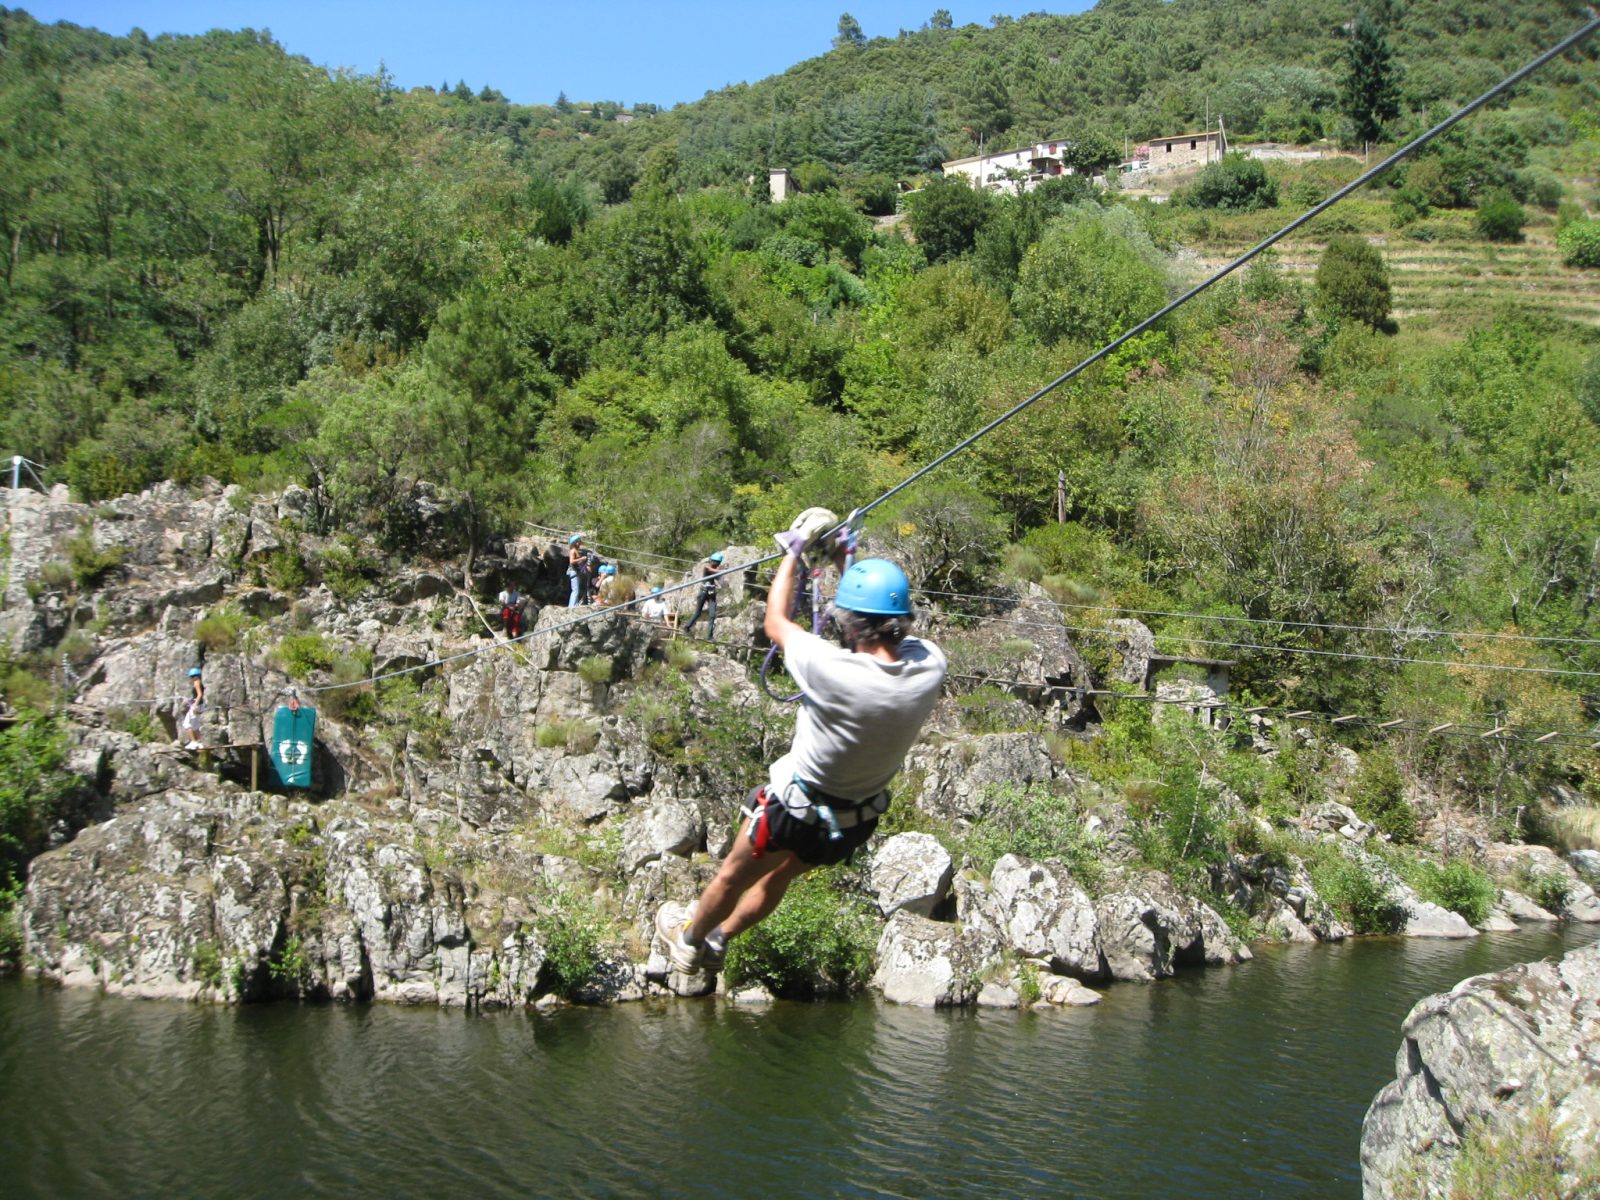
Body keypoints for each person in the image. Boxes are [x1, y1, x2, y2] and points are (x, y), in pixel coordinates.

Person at [655, 518, 946, 977]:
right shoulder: (930, 665)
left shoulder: (832, 670)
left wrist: (793, 552)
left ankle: (689, 941)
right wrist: (844, 559)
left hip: (793, 810)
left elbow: (775, 623)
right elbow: (874, 625)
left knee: (732, 876)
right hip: (853, 820)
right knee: (781, 875)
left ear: (849, 623)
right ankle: (722, 937)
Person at [681, 551, 725, 641]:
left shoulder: (716, 570)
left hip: (711, 594)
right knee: (698, 613)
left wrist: (722, 578)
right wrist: (722, 571)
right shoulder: (707, 567)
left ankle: (709, 636)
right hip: (703, 593)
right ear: (712, 561)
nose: (717, 564)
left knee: (712, 615)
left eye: (718, 563)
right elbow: (713, 570)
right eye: (716, 562)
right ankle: (686, 627)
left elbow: (720, 580)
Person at [181, 667, 206, 750]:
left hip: (197, 706)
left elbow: (199, 695)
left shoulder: (196, 682)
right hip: (201, 705)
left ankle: (193, 742)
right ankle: (199, 742)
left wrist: (195, 704)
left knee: (187, 724)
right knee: (196, 725)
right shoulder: (201, 682)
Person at [565, 535, 588, 607]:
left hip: (576, 571)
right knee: (575, 590)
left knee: (576, 590)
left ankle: (575, 605)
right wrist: (582, 559)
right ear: (575, 542)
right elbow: (571, 561)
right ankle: (571, 606)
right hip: (574, 571)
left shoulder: (575, 550)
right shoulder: (573, 551)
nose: (580, 543)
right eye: (579, 542)